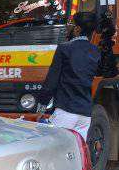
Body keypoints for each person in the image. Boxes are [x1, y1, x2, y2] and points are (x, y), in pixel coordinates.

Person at [36, 11, 101, 141]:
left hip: (65, 112)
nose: (69, 27)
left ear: (77, 29)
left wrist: (41, 108)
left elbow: (51, 83)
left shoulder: (64, 49)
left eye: (71, 24)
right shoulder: (96, 51)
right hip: (85, 115)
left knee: (53, 148)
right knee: (77, 150)